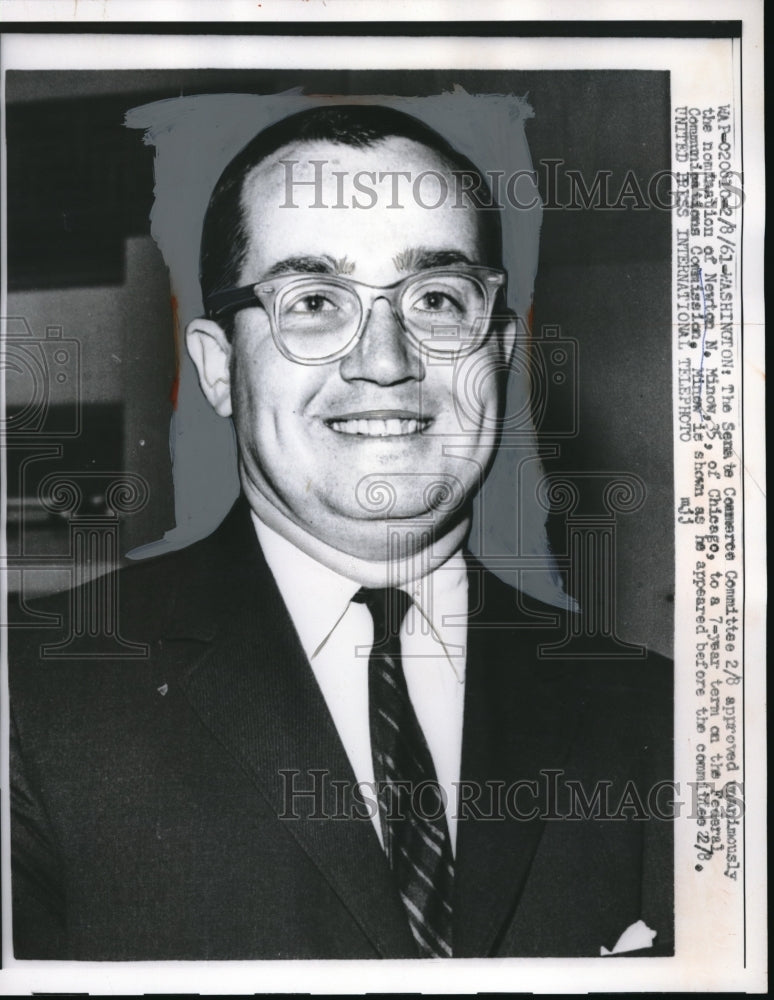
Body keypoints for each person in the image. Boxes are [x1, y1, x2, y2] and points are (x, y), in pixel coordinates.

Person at [10, 104, 673, 960]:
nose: (386, 359)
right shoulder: (33, 705)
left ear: (499, 352)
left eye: (438, 297)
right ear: (219, 369)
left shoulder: (653, 713)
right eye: (315, 300)